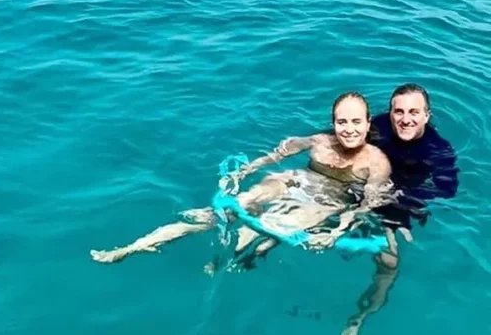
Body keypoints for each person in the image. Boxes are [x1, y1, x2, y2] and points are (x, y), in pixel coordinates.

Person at [90, 93, 392, 265]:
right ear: (333, 123)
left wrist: (338, 230)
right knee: (222, 212)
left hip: (325, 201)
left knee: (259, 232)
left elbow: (367, 205)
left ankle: (233, 258)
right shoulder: (318, 141)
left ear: (368, 124)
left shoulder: (377, 163)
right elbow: (276, 156)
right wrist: (244, 171)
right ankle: (132, 248)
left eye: (356, 121)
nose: (349, 129)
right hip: (293, 181)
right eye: (342, 121)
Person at [335, 84, 458, 335]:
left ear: (427, 115)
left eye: (414, 112)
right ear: (389, 112)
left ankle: (357, 321)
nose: (405, 119)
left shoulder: (438, 149)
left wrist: (401, 200)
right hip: (361, 186)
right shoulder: (376, 126)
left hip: (400, 201)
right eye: (398, 111)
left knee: (389, 262)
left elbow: (447, 189)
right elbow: (341, 138)